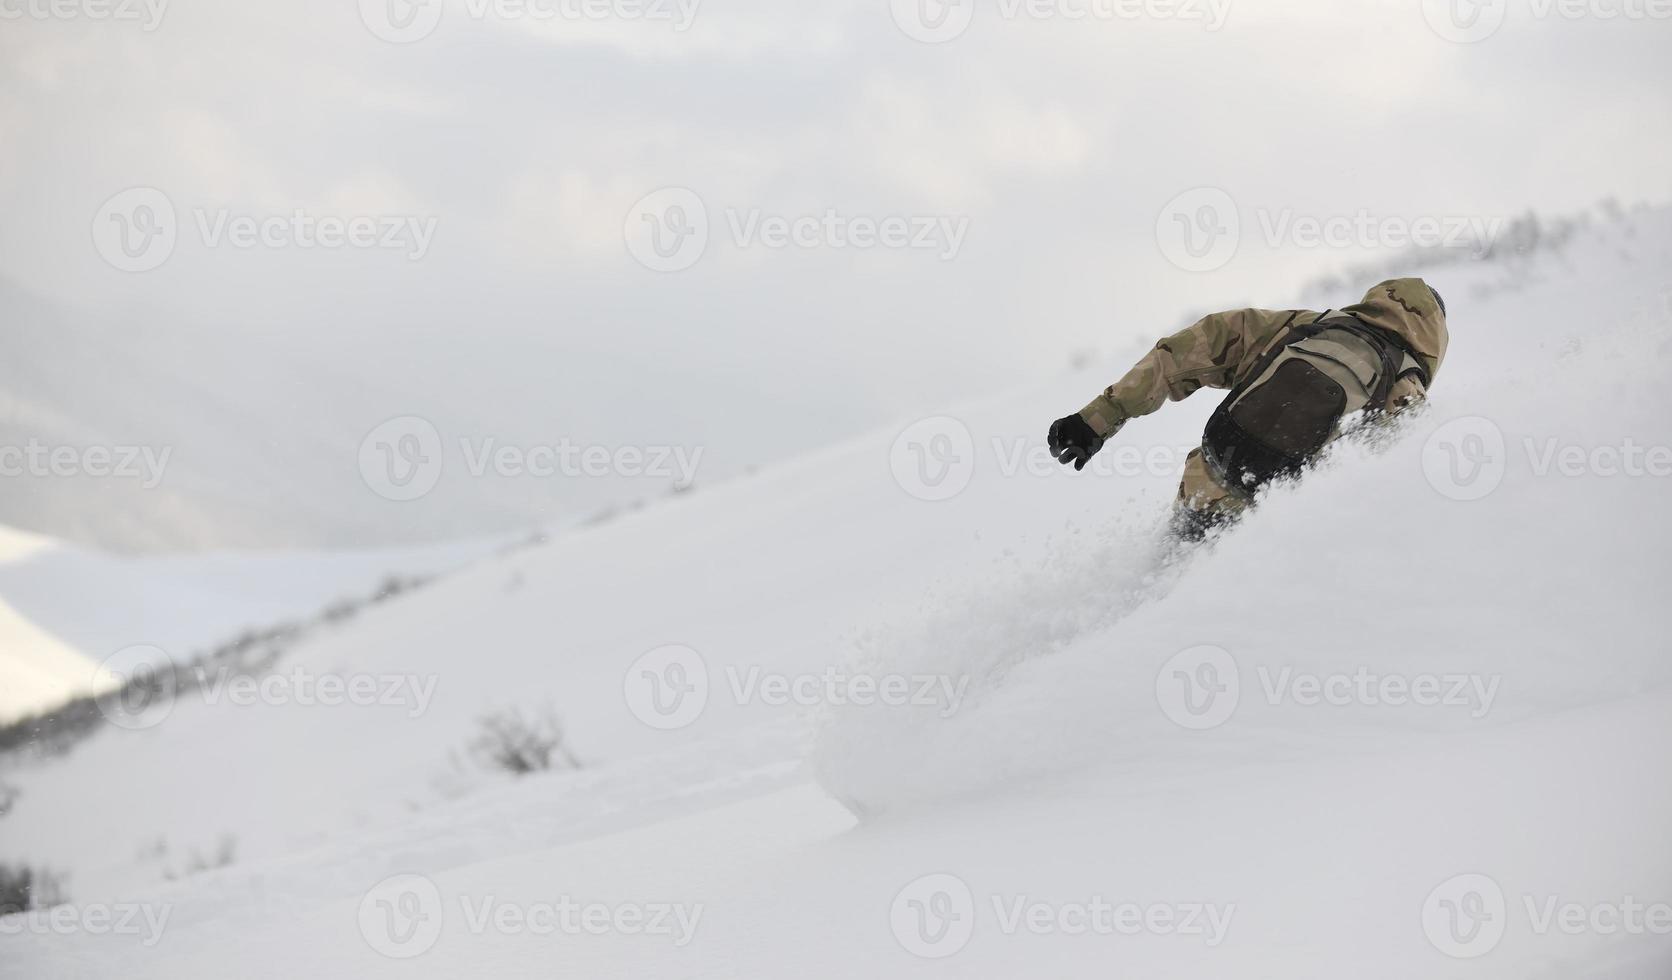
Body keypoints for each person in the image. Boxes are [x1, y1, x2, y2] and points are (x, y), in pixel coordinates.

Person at [1047, 278, 1449, 538]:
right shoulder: (1406, 388)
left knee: (1162, 593)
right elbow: (1391, 505)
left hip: (1211, 481)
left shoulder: (1306, 325)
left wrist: (1097, 418)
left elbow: (1184, 352)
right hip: (1279, 531)